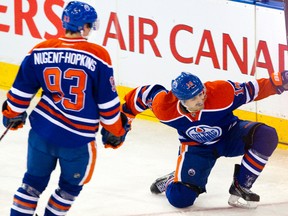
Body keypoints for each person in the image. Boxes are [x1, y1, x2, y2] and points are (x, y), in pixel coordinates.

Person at [1, 1, 129, 215]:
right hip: (77, 141)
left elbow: (20, 91)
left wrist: (12, 113)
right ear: (85, 27)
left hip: (42, 134)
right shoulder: (99, 55)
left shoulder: (40, 49)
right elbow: (108, 105)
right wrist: (116, 131)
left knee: (31, 185)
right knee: (68, 190)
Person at [121, 70, 288, 209]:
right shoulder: (165, 107)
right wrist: (124, 119)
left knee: (266, 135)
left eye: (201, 93)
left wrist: (279, 81)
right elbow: (142, 95)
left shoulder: (221, 91)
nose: (200, 100)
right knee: (181, 199)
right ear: (181, 101)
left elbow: (252, 89)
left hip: (230, 135)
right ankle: (173, 179)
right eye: (193, 99)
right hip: (196, 149)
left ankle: (242, 185)